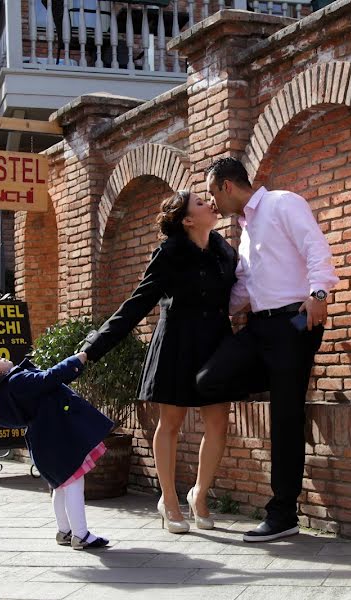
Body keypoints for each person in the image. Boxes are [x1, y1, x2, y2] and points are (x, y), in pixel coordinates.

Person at [79, 190, 239, 534]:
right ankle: (168, 500)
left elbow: (239, 294)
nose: (210, 203)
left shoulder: (224, 251)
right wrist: (93, 347)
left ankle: (199, 493)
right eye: (199, 202)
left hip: (215, 342)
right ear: (187, 220)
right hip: (178, 343)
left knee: (219, 422)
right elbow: (137, 304)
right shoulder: (168, 254)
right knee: (171, 421)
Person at [197, 157, 339, 543]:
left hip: (295, 321)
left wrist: (319, 293)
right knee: (208, 379)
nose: (212, 204)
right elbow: (244, 288)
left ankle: (283, 515)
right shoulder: (245, 230)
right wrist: (211, 314)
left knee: (286, 416)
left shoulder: (282, 203)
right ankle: (279, 378)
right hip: (260, 326)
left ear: (227, 186)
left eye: (212, 193)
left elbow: (315, 246)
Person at [0, 353, 112, 550]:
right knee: (73, 483)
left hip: (44, 443)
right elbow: (49, 378)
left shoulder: (5, 391)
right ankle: (80, 535)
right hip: (57, 440)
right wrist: (76, 360)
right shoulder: (16, 382)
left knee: (61, 485)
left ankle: (64, 531)